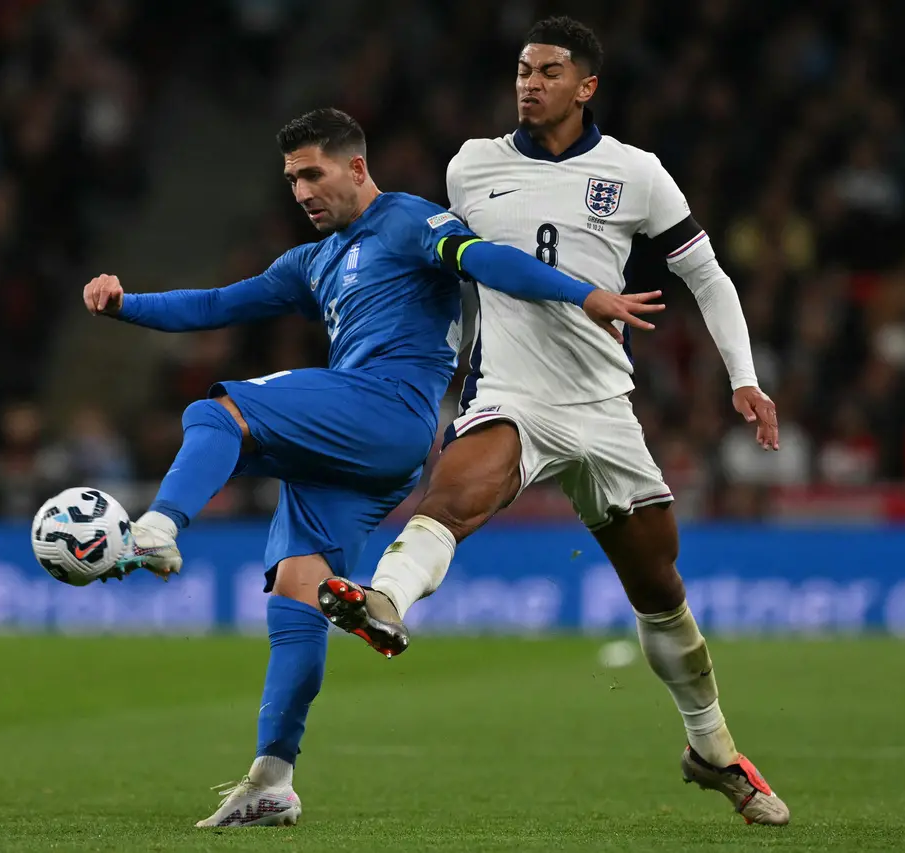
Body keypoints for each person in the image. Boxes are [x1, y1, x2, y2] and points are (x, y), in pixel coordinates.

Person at [82, 107, 663, 828]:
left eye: (312, 174)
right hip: (359, 447)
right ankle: (272, 780)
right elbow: (218, 305)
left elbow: (486, 260)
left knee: (219, 412)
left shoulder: (409, 222)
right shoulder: (311, 262)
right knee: (297, 594)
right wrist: (125, 304)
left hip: (387, 409)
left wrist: (583, 292)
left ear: (356, 167)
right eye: (292, 180)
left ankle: (158, 529)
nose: (301, 192)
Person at [315, 18, 790, 827]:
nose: (529, 84)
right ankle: (383, 598)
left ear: (586, 85)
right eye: (522, 71)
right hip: (512, 391)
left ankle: (712, 748)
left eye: (548, 72)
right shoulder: (472, 165)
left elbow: (707, 276)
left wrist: (743, 377)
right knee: (453, 497)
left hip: (603, 407)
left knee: (660, 589)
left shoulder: (636, 173)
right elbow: (450, 267)